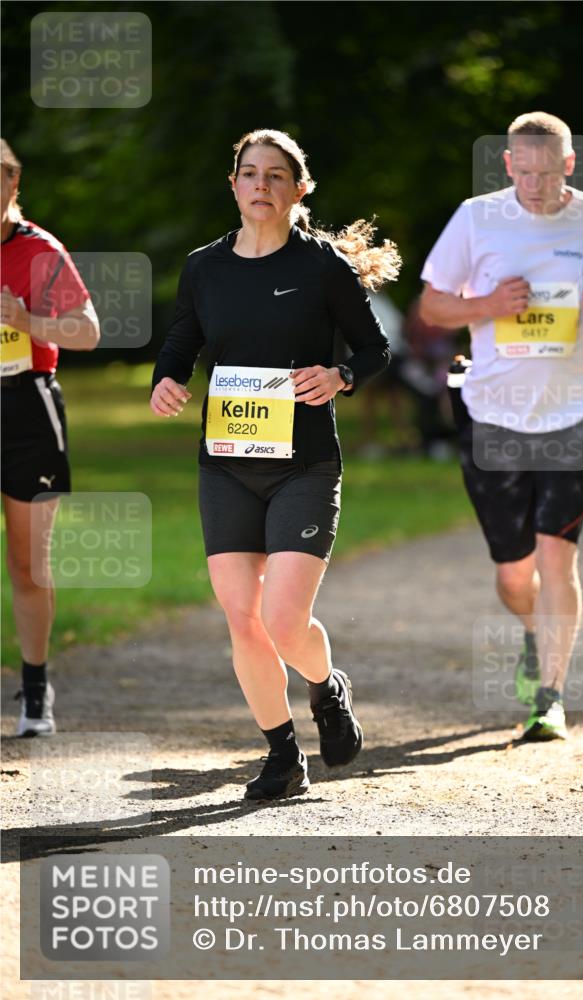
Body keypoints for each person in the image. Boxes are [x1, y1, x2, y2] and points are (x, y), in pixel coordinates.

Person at [150, 128, 400, 799]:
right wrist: (166, 379)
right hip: (226, 463)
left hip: (303, 465)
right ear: (232, 185)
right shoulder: (204, 266)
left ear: (298, 189)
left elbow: (374, 349)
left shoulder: (320, 266)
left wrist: (341, 375)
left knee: (283, 619)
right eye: (249, 174)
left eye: (275, 175)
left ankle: (325, 686)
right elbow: (183, 337)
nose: (260, 186)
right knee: (241, 616)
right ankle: (282, 755)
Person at [420, 112, 583, 741]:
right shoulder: (477, 218)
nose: (534, 184)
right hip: (493, 414)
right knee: (514, 572)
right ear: (507, 165)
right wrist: (487, 306)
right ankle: (533, 632)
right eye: (523, 171)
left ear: (569, 165)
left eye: (546, 172)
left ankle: (549, 697)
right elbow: (431, 304)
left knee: (558, 558)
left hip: (576, 410)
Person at [1, 138, 100, 736]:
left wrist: (26, 320)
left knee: (27, 564)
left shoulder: (38, 250)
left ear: (12, 185)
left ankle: (35, 688)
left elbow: (87, 332)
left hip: (25, 407)